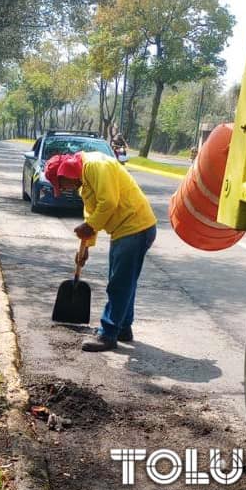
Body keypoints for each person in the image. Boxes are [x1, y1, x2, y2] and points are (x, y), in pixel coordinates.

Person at [45, 151, 156, 352]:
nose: (64, 190)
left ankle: (108, 334)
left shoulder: (96, 166)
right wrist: (86, 245)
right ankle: (122, 328)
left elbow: (109, 202)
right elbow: (92, 213)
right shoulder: (84, 180)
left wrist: (89, 227)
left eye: (61, 185)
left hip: (135, 227)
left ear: (65, 173)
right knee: (124, 282)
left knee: (119, 284)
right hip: (126, 229)